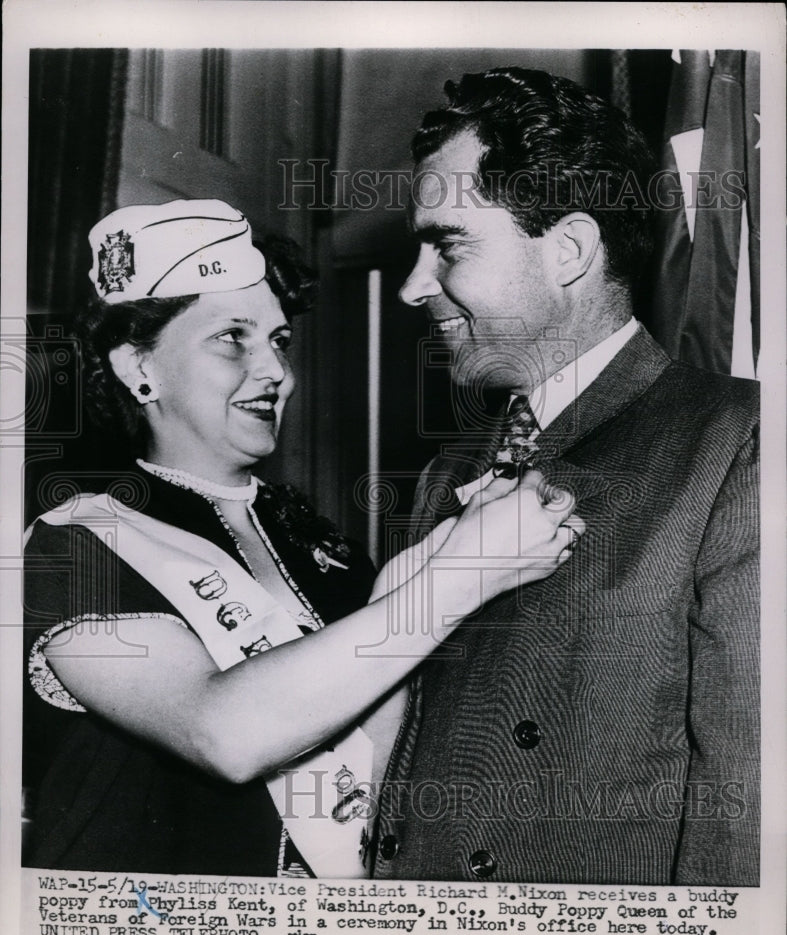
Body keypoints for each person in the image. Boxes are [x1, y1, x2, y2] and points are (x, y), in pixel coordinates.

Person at [22, 198, 584, 878]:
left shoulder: (322, 546)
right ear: (137, 366)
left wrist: (424, 565)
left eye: (280, 341)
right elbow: (224, 733)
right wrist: (461, 573)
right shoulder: (71, 547)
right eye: (232, 338)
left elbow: (376, 765)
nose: (276, 372)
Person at [370, 68, 759, 886]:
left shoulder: (737, 441)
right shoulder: (447, 472)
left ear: (569, 250)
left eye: (447, 245)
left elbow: (744, 816)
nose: (411, 287)